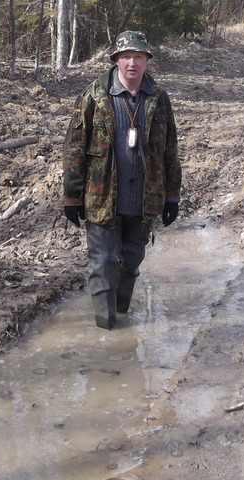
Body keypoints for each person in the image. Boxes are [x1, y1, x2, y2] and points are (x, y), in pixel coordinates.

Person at [63, 30, 182, 329]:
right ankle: (106, 328)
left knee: (130, 262)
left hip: (143, 198)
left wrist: (171, 196)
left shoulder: (159, 99)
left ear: (147, 61)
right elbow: (75, 148)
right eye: (126, 56)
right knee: (103, 263)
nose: (132, 63)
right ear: (116, 60)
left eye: (139, 57)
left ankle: (121, 315)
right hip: (101, 198)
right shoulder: (92, 96)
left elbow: (170, 149)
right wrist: (72, 196)